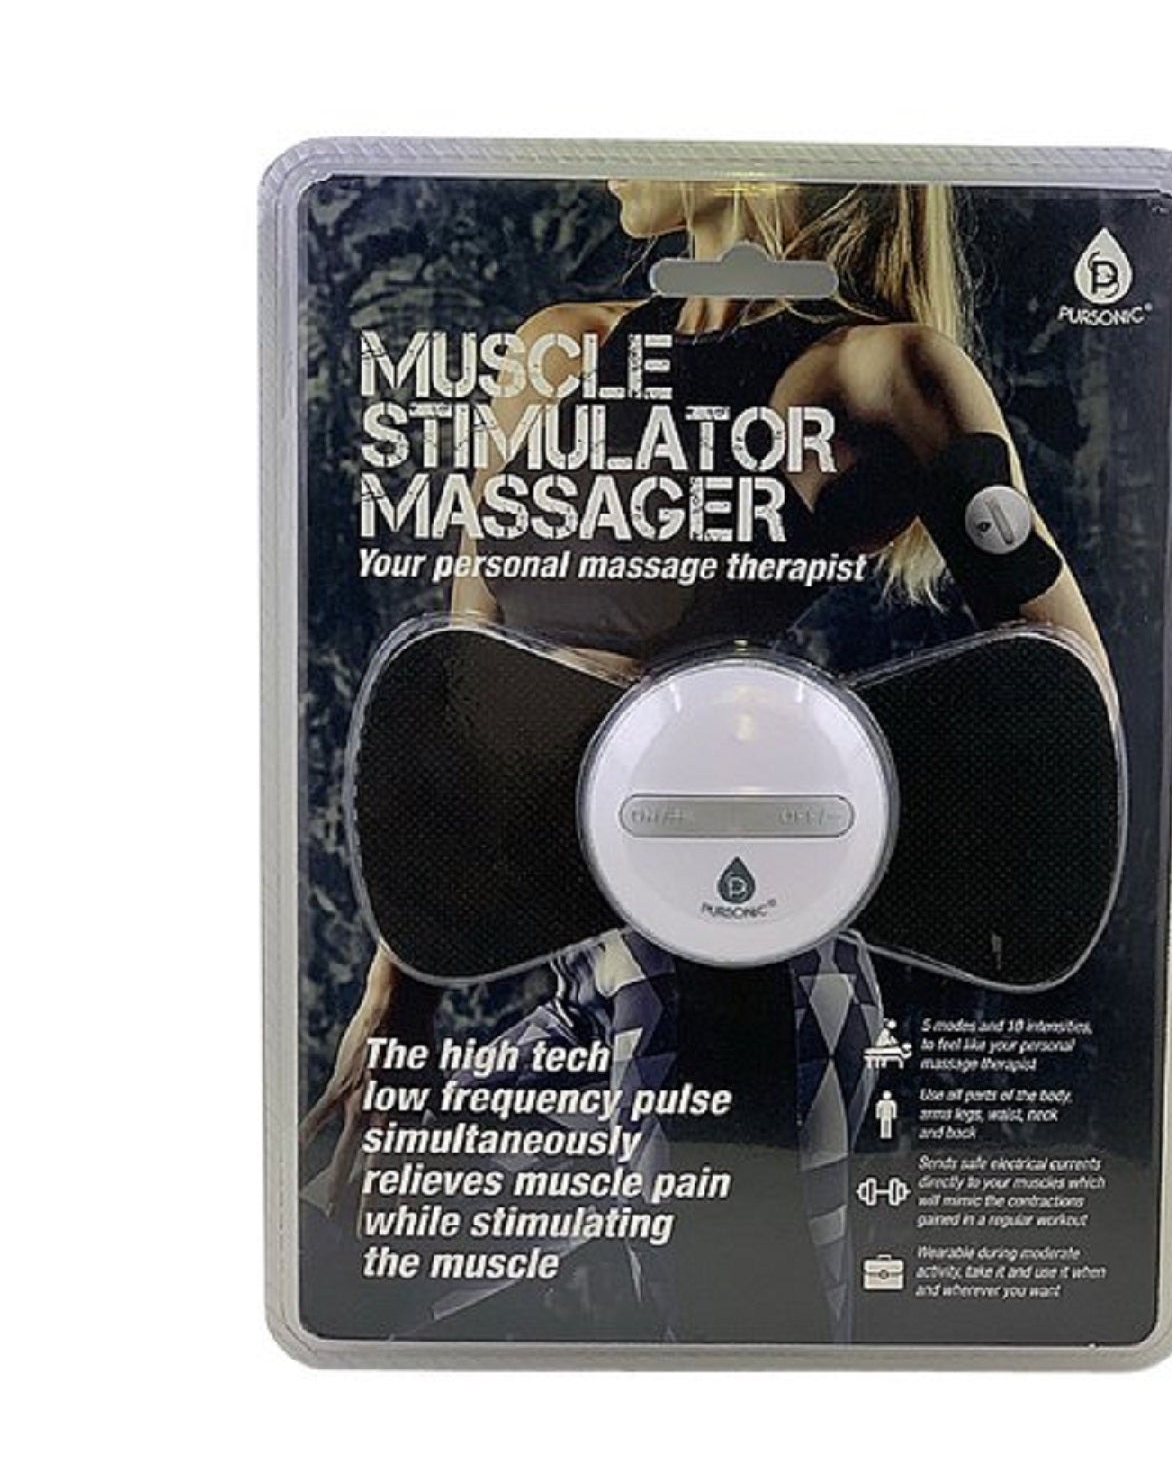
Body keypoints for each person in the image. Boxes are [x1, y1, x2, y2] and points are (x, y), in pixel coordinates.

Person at [304, 179, 1111, 1343]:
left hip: (752, 974)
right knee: (341, 1265)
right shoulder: (560, 351)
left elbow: (1065, 684)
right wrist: (397, 1004)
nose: (608, 163)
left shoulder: (879, 375)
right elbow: (465, 708)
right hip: (579, 961)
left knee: (744, 1357)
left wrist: (828, 782)